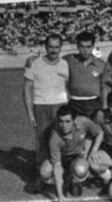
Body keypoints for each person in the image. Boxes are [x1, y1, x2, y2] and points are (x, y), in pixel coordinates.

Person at [23, 34, 69, 187]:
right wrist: (30, 113)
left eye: (57, 47)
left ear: (60, 48)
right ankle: (41, 175)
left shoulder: (64, 64)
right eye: (51, 46)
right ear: (45, 47)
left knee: (61, 140)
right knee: (42, 142)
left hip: (60, 106)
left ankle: (63, 173)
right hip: (41, 106)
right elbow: (27, 88)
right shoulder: (35, 63)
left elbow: (69, 86)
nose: (54, 50)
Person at [39, 105, 103, 202]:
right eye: (61, 121)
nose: (64, 125)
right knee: (45, 172)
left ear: (74, 120)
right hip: (61, 157)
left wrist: (94, 150)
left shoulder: (83, 122)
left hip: (77, 156)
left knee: (80, 170)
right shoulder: (54, 137)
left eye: (68, 121)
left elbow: (99, 133)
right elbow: (57, 165)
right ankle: (61, 182)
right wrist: (60, 196)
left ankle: (74, 181)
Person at [63, 31, 106, 118]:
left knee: (95, 129)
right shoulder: (68, 60)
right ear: (77, 46)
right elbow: (53, 62)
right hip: (74, 103)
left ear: (93, 46)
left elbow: (104, 87)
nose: (85, 50)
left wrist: (104, 107)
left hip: (94, 103)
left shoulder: (101, 64)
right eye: (82, 46)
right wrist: (32, 60)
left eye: (88, 47)